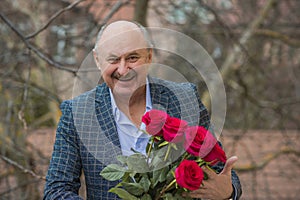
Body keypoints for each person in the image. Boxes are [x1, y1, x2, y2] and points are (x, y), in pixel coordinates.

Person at [44, 20, 242, 200]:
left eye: (132, 57)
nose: (122, 69)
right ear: (97, 60)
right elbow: (56, 191)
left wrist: (229, 192)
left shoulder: (185, 99)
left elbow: (223, 174)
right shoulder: (77, 113)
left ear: (149, 56)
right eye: (113, 59)